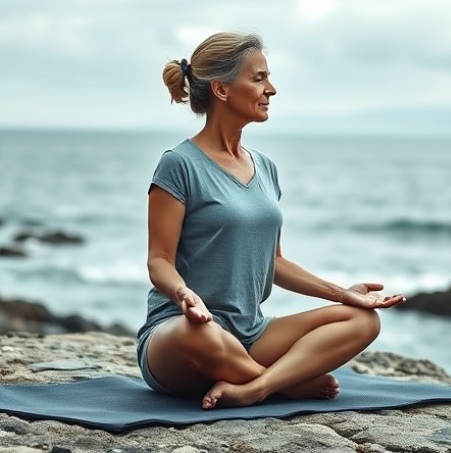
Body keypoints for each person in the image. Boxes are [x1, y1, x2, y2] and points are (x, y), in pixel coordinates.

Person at [137, 32, 404, 410]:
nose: (271, 89)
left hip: (251, 333)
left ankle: (254, 387)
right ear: (221, 90)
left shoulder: (265, 168)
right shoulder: (179, 164)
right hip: (181, 337)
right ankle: (283, 384)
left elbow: (275, 262)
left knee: (363, 321)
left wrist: (341, 293)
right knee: (199, 334)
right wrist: (184, 295)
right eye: (259, 78)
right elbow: (159, 260)